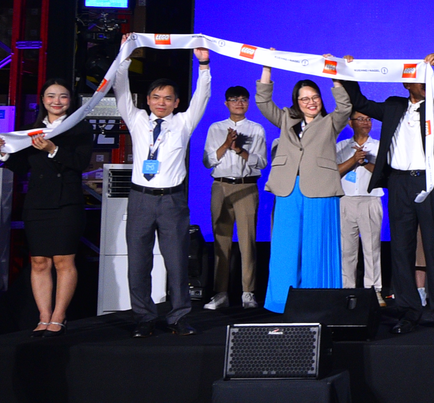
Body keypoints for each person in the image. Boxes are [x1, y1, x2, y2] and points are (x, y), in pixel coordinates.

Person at [340, 53, 434, 334]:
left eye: (427, 79)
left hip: (430, 183)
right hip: (399, 184)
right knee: (401, 249)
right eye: (419, 80)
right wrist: (346, 71)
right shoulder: (393, 106)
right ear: (406, 84)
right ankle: (408, 312)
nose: (425, 83)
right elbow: (360, 102)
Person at [114, 43, 211, 337]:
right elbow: (120, 90)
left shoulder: (183, 122)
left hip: (172, 201)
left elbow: (202, 97)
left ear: (176, 102)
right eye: (156, 97)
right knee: (138, 262)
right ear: (147, 100)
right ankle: (144, 317)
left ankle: (178, 316)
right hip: (140, 199)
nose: (161, 103)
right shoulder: (136, 119)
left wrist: (203, 66)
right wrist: (124, 58)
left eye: (168, 98)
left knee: (177, 262)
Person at [1, 79, 93, 336]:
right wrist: (5, 154)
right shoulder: (29, 131)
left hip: (67, 203)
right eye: (51, 96)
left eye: (62, 96)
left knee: (63, 260)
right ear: (42, 100)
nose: (56, 101)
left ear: (70, 100)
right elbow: (22, 167)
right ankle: (43, 316)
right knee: (39, 261)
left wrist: (53, 149)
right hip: (37, 204)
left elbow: (80, 163)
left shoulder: (80, 129)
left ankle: (58, 316)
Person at [257, 64, 350, 314]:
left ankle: (318, 302)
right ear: (297, 102)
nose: (311, 102)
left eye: (315, 97)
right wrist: (267, 68)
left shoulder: (330, 122)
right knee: (285, 247)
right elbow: (263, 102)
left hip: (320, 189)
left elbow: (345, 108)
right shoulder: (286, 119)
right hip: (288, 189)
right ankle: (282, 302)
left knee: (317, 246)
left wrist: (335, 77)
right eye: (305, 99)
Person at [202, 85, 267, 310]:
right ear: (226, 103)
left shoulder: (256, 129)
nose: (239, 103)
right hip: (221, 186)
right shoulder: (216, 128)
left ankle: (248, 292)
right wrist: (226, 145)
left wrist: (239, 149)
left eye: (243, 99)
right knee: (221, 241)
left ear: (248, 103)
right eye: (234, 99)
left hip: (246, 186)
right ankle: (221, 293)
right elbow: (208, 161)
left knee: (247, 241)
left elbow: (261, 162)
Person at [336, 113, 384, 300]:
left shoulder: (379, 146)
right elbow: (334, 172)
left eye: (369, 119)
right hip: (346, 200)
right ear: (350, 122)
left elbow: (384, 173)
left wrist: (365, 162)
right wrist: (353, 160)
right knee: (346, 250)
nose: (366, 122)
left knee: (372, 249)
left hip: (370, 200)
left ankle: (374, 291)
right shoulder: (341, 146)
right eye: (361, 119)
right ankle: (347, 290)